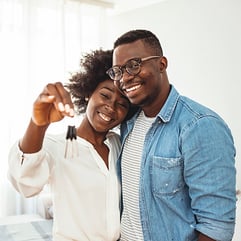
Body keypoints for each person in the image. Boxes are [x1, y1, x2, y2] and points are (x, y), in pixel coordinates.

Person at [106, 29, 236, 241]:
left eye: (134, 65)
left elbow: (216, 227)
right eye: (118, 71)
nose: (125, 78)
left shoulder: (199, 125)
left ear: (161, 64)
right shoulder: (127, 125)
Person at [8, 49, 135, 241]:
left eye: (122, 104)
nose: (111, 107)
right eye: (105, 95)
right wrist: (38, 124)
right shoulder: (58, 145)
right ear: (87, 94)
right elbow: (25, 184)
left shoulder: (118, 144)